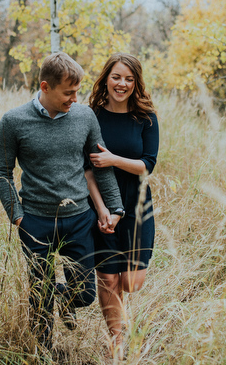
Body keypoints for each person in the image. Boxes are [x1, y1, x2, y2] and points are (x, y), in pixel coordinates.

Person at [0, 52, 124, 352]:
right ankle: (44, 353)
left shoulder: (84, 116)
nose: (74, 98)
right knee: (39, 295)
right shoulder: (14, 121)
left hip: (79, 218)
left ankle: (65, 299)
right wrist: (17, 216)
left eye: (77, 91)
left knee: (85, 293)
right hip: (35, 222)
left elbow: (98, 163)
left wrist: (115, 207)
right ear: (45, 86)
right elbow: (2, 172)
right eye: (68, 92)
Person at [85, 53, 159, 359]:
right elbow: (86, 169)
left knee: (130, 282)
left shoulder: (146, 117)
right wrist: (102, 210)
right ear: (106, 78)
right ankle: (117, 340)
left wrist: (113, 159)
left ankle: (121, 323)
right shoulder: (91, 116)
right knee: (108, 278)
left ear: (136, 82)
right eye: (116, 77)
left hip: (137, 204)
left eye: (129, 79)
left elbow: (148, 165)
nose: (122, 84)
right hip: (100, 204)